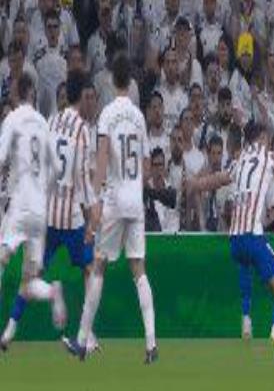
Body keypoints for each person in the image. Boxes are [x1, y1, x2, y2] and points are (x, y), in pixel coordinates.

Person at [189, 121, 274, 344]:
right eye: (267, 138)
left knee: (244, 264)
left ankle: (246, 318)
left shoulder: (239, 160)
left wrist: (196, 184)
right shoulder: (267, 156)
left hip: (234, 239)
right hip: (253, 236)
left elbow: (218, 179)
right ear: (262, 137)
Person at [64, 53, 157, 363]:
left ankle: (81, 340)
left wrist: (96, 203)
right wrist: (134, 184)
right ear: (130, 80)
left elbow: (102, 161)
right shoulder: (139, 116)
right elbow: (147, 165)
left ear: (111, 80)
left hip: (115, 199)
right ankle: (151, 344)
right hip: (135, 200)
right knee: (139, 271)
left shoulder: (107, 114)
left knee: (99, 266)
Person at [1, 70, 100, 352]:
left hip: (46, 213)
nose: (91, 102)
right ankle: (87, 335)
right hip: (71, 216)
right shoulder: (82, 129)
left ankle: (10, 330)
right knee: (90, 270)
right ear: (82, 97)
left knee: (29, 276)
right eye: (89, 97)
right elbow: (81, 177)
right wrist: (92, 214)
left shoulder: (51, 120)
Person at [0, 73, 67, 351]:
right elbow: (57, 170)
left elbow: (1, 158)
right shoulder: (43, 122)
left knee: (2, 258)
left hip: (20, 203)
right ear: (34, 93)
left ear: (19, 91)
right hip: (40, 211)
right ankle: (52, 291)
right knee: (28, 283)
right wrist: (43, 189)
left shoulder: (13, 118)